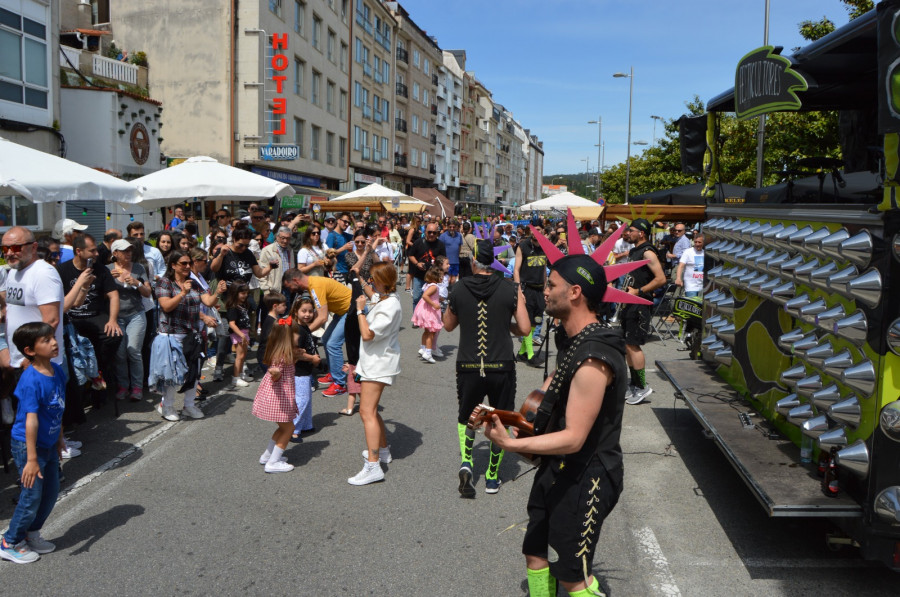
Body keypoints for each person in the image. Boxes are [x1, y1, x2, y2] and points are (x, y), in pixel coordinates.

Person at [483, 251, 628, 597]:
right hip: (558, 468)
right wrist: (512, 416)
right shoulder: (573, 340)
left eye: (552, 284)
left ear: (575, 292)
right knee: (534, 551)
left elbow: (575, 438)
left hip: (587, 476)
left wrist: (513, 445)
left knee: (571, 575)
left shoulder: (595, 356)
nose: (544, 291)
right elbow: (554, 384)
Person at [443, 238, 529, 497]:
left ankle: (467, 461)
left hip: (468, 364)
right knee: (499, 418)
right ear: (493, 262)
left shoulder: (458, 288)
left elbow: (447, 325)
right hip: (501, 364)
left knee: (466, 415)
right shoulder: (510, 288)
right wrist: (506, 326)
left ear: (473, 261)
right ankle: (492, 477)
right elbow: (524, 329)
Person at [0, 322, 66, 564]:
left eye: (52, 338)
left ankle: (31, 534)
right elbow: (31, 421)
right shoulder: (30, 380)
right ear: (29, 350)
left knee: (50, 493)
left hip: (48, 445)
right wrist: (30, 460)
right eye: (46, 340)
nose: (54, 342)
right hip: (28, 447)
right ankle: (9, 542)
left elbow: (58, 408)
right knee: (31, 496)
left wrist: (59, 438)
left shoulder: (57, 371)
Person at [150, 251, 225, 420]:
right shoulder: (164, 283)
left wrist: (217, 292)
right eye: (183, 263)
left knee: (194, 371)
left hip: (192, 334)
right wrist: (182, 293)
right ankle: (167, 406)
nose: (187, 266)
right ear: (173, 265)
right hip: (171, 335)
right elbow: (166, 306)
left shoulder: (194, 283)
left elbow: (208, 302)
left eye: (189, 263)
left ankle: (189, 405)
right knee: (172, 373)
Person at [348, 262, 402, 486]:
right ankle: (382, 450)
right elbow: (372, 294)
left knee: (366, 412)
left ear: (382, 280)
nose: (370, 282)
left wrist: (360, 310)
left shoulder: (390, 306)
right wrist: (359, 279)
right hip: (373, 362)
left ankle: (373, 466)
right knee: (370, 410)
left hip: (378, 364)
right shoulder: (386, 298)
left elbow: (368, 334)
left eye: (372, 278)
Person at [57, 234, 123, 404]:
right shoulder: (62, 270)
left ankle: (98, 369)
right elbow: (66, 303)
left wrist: (113, 320)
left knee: (114, 335)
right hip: (72, 317)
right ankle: (87, 376)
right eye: (92, 250)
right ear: (78, 251)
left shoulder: (101, 269)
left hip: (96, 315)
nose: (96, 253)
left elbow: (114, 295)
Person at [209, 228, 277, 381]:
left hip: (242, 301)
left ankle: (240, 367)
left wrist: (270, 267)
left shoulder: (248, 254)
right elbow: (213, 268)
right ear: (233, 239)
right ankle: (219, 368)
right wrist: (221, 254)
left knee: (244, 334)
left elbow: (258, 273)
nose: (243, 248)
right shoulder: (224, 252)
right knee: (225, 334)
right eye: (240, 245)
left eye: (246, 245)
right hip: (225, 300)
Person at [282, 268, 352, 397]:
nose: (290, 290)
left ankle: (340, 384)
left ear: (295, 280)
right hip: (341, 312)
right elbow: (318, 312)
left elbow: (322, 317)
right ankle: (334, 372)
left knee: (332, 344)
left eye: (289, 286)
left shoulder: (315, 286)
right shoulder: (312, 286)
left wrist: (303, 332)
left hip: (350, 311)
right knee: (325, 339)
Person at [620, 219, 666, 405]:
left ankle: (642, 387)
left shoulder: (648, 251)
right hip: (629, 303)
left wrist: (638, 291)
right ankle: (635, 383)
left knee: (633, 345)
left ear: (641, 233)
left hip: (639, 303)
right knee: (627, 345)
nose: (627, 233)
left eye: (631, 230)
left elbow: (661, 278)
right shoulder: (633, 251)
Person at [252, 318, 298, 474]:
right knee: (289, 428)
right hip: (280, 399)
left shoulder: (280, 352)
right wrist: (275, 373)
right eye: (296, 334)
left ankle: (268, 455)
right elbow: (275, 372)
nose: (298, 337)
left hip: (277, 399)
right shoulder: (282, 357)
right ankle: (273, 462)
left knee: (282, 427)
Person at [108, 238, 151, 401]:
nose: (128, 253)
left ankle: (137, 387)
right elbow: (101, 294)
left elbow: (147, 292)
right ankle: (123, 386)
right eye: (125, 251)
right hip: (116, 317)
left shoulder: (138, 268)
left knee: (133, 350)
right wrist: (107, 280)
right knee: (119, 353)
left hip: (136, 314)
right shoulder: (107, 270)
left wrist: (136, 283)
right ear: (115, 254)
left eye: (130, 250)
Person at [515, 227, 548, 367]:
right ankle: (530, 355)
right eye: (535, 230)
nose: (537, 232)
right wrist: (519, 291)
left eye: (540, 230)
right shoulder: (523, 246)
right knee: (527, 322)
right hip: (526, 288)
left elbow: (545, 270)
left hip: (540, 289)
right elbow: (516, 270)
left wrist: (546, 288)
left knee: (536, 321)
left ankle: (522, 353)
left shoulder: (545, 247)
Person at [290, 296, 320, 438]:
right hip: (298, 371)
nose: (307, 314)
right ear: (296, 311)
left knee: (307, 399)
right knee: (302, 400)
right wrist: (312, 358)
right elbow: (295, 353)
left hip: (306, 370)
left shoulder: (304, 327)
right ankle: (292, 429)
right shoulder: (297, 330)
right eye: (303, 311)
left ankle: (306, 425)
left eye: (310, 311)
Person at [408, 221, 446, 313]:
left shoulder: (440, 244)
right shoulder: (418, 242)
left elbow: (443, 259)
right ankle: (417, 317)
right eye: (429, 232)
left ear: (437, 233)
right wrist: (417, 263)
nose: (432, 234)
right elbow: (410, 255)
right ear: (425, 232)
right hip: (419, 275)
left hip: (434, 277)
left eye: (434, 232)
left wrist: (440, 271)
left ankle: (430, 317)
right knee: (417, 297)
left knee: (433, 298)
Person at [412, 266, 443, 364]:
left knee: (426, 331)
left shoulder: (428, 285)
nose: (442, 278)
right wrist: (434, 304)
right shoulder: (434, 286)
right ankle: (428, 353)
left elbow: (430, 295)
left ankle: (423, 348)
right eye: (441, 276)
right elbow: (425, 296)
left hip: (425, 309)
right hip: (430, 311)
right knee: (431, 332)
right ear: (435, 277)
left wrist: (440, 298)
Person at [225, 282, 252, 389]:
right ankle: (235, 378)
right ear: (235, 293)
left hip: (244, 332)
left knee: (243, 355)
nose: (245, 295)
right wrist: (241, 334)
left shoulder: (243, 305)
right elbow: (232, 324)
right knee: (239, 356)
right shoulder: (233, 307)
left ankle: (241, 374)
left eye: (246, 293)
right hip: (238, 333)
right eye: (242, 293)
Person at [325, 212, 354, 284]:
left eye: (348, 223)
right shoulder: (331, 236)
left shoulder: (346, 235)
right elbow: (328, 255)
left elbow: (358, 235)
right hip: (337, 271)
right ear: (338, 220)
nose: (347, 224)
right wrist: (344, 248)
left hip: (347, 270)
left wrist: (354, 221)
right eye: (345, 221)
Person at [439, 219, 462, 284]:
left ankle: (452, 293)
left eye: (453, 227)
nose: (452, 228)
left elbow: (459, 247)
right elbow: (440, 248)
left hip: (456, 261)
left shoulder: (459, 235)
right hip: (446, 262)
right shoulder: (443, 236)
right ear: (447, 226)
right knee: (447, 279)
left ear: (456, 227)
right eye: (450, 227)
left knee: (453, 279)